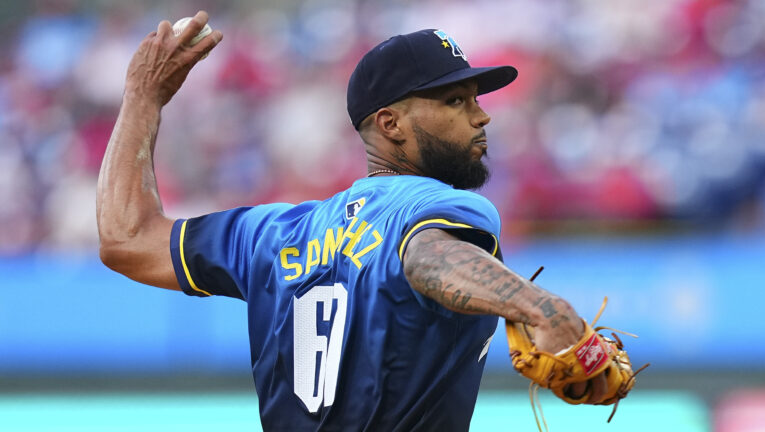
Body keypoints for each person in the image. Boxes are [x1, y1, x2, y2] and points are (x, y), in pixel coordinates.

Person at [97, 11, 606, 431]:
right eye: (454, 101)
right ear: (390, 124)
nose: (481, 115)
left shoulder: (269, 234)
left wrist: (143, 98)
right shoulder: (440, 206)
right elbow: (427, 257)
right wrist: (539, 306)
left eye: (475, 99)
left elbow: (126, 238)